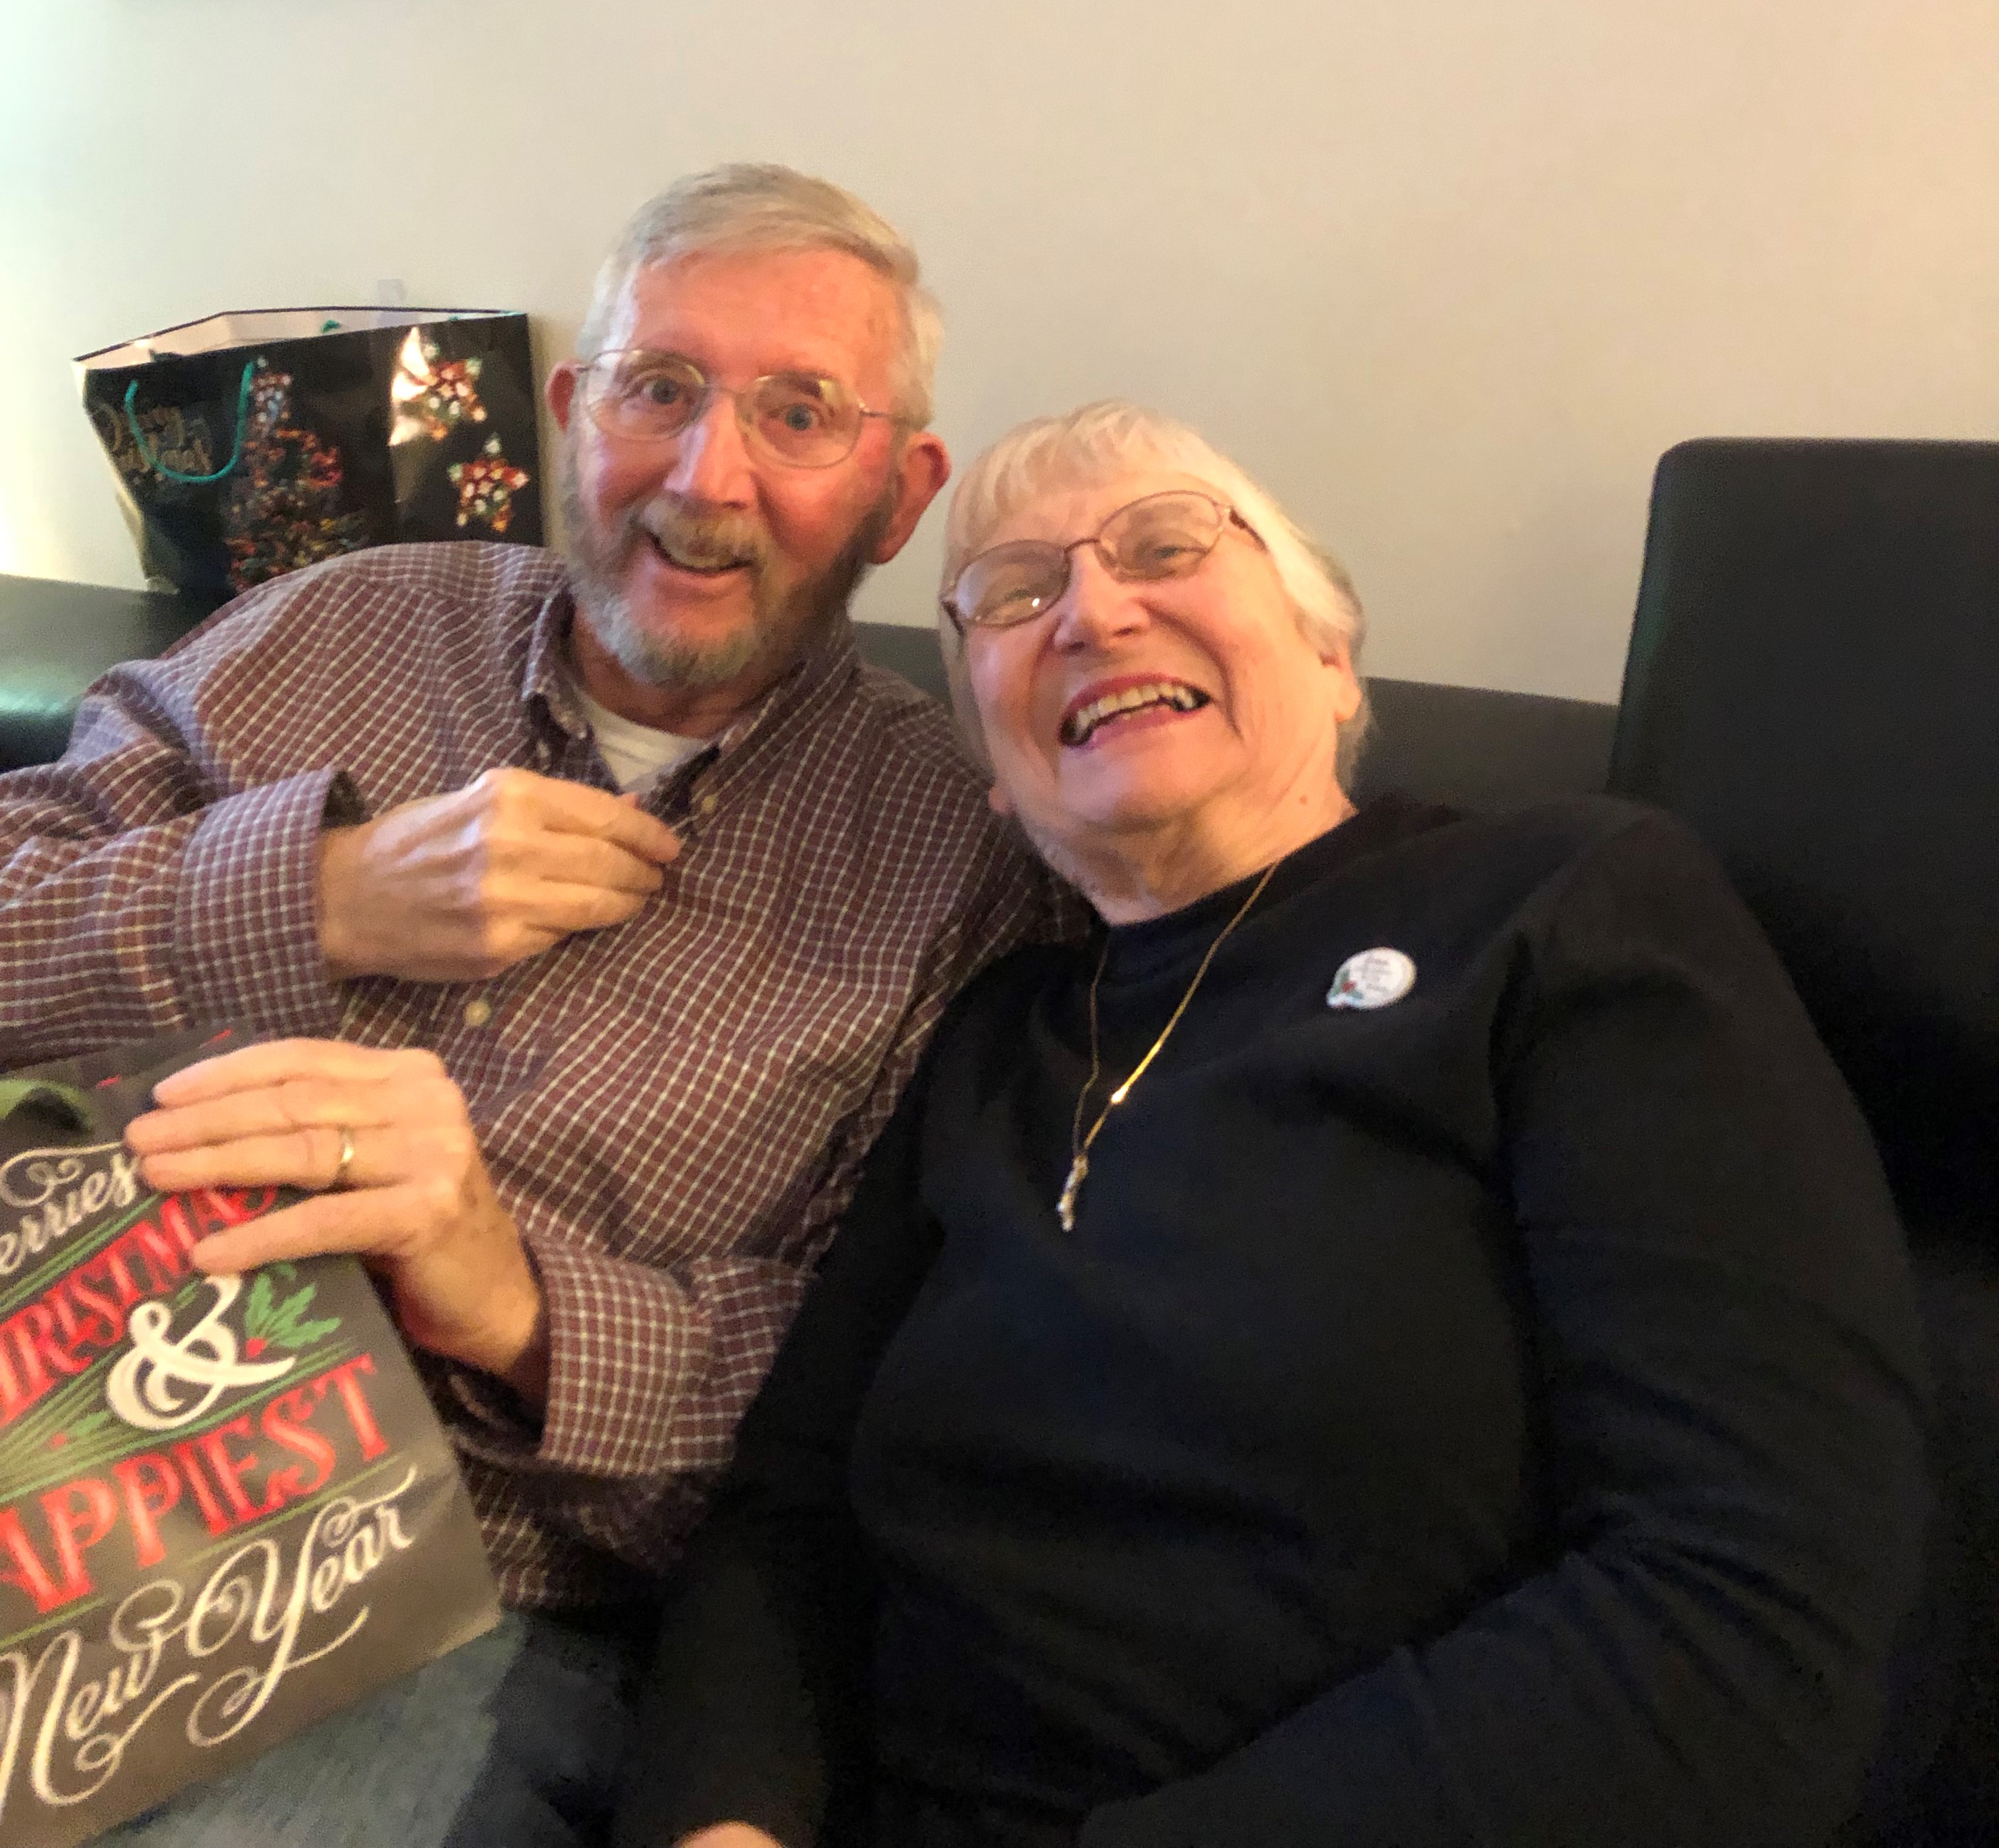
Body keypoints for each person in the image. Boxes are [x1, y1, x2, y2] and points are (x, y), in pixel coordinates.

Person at [619, 400, 1928, 1848]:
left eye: (1166, 546)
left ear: (1329, 647)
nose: (1093, 613)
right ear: (990, 758)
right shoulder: (993, 1038)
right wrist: (722, 1822)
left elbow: (1749, 1600)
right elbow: (787, 1523)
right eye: (1014, 594)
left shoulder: (1564, 906)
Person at [0, 167, 1069, 1847]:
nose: (706, 477)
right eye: (661, 388)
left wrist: (513, 1302)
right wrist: (321, 893)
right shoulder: (339, 625)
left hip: (432, 1601)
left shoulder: (961, 869)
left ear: (898, 494)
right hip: (41, 1425)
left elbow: (870, 1404)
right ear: (574, 414)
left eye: (799, 415)